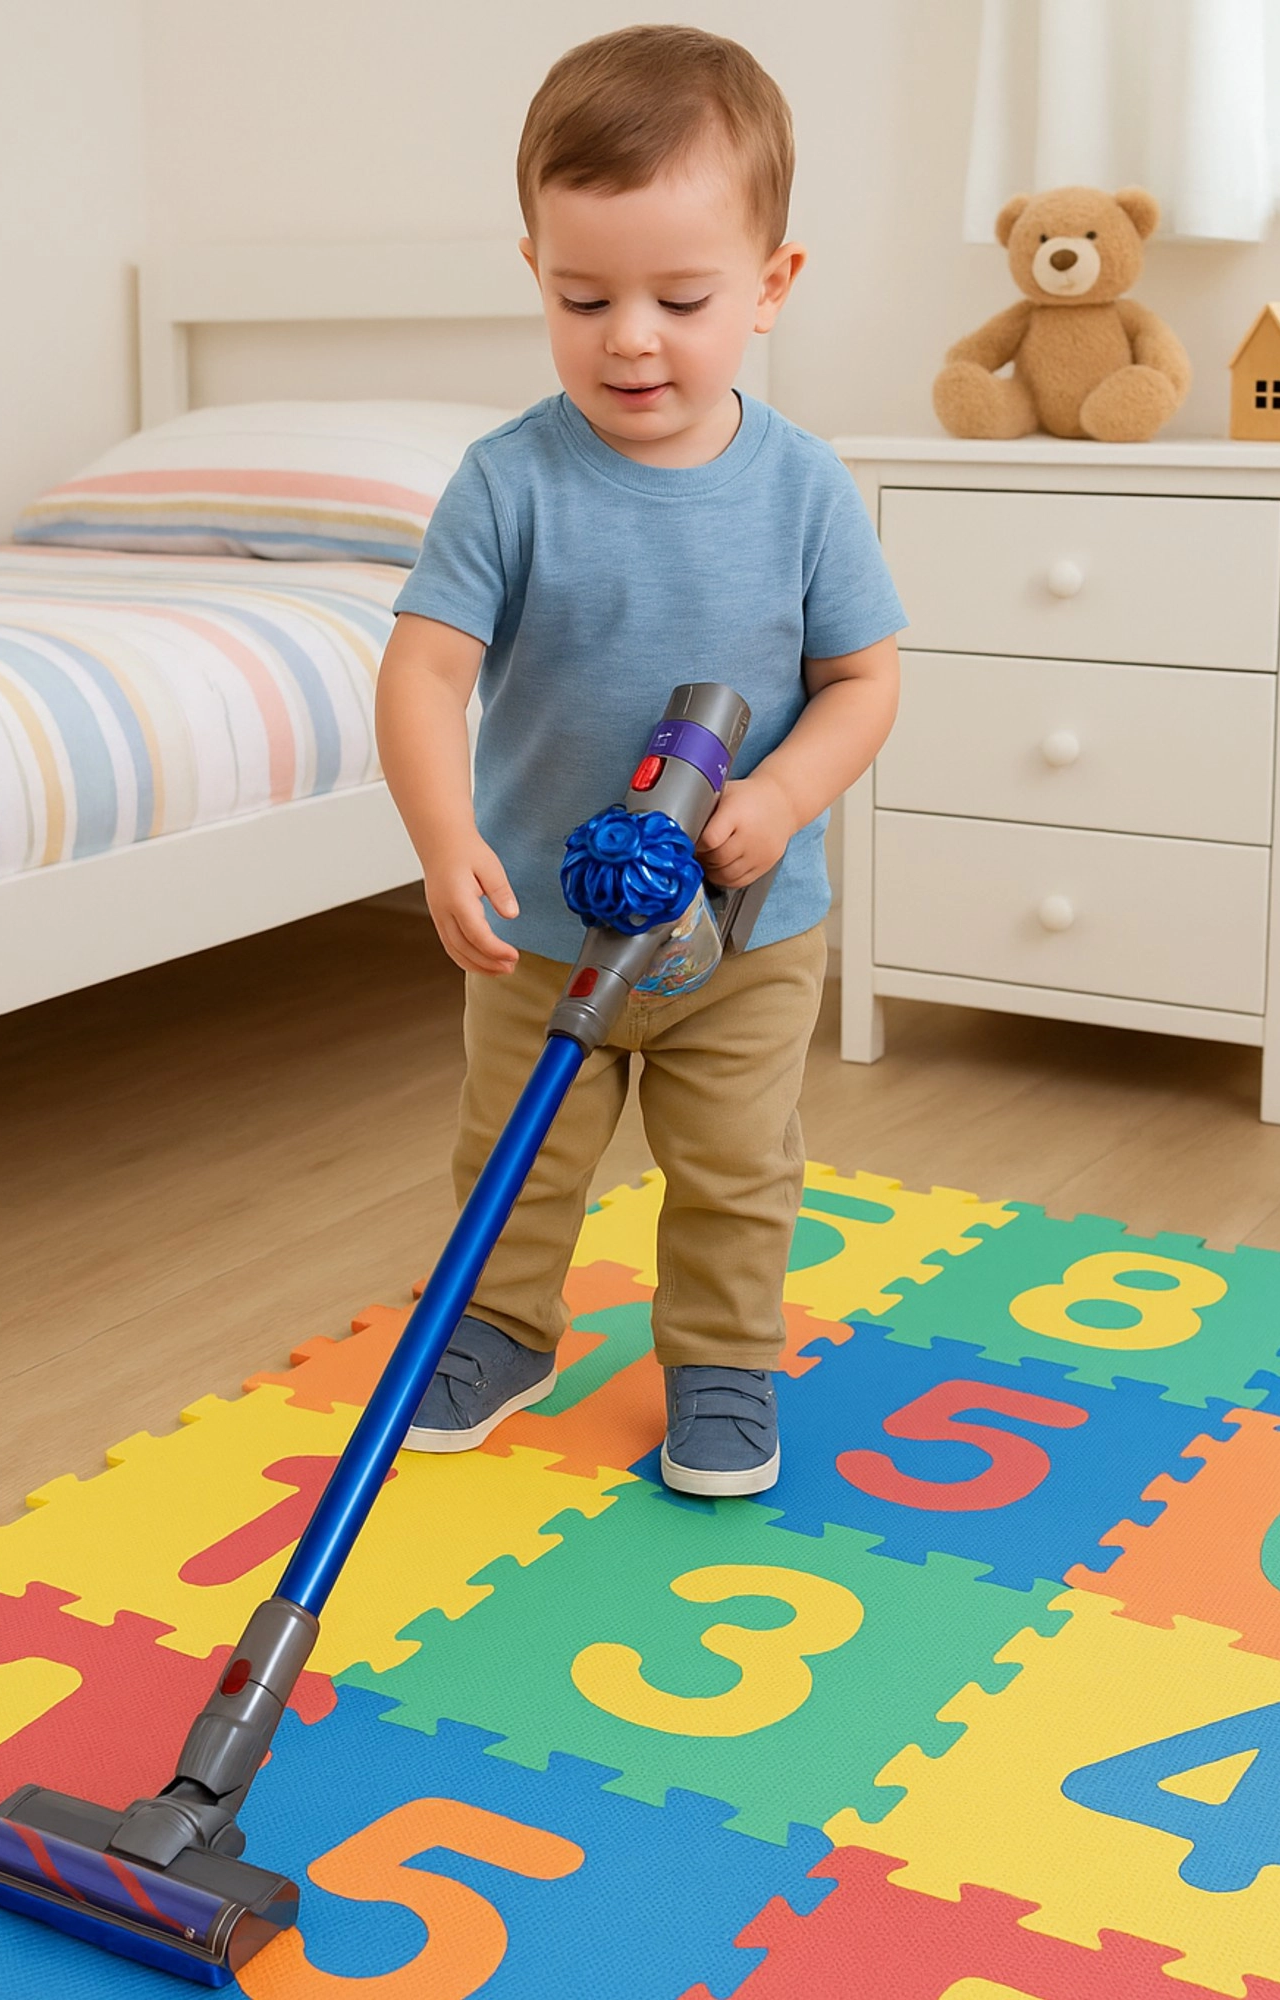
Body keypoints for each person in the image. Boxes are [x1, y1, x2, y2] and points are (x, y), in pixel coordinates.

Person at [374, 22, 904, 1497]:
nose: (629, 337)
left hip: (745, 936)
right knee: (516, 1155)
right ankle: (501, 1326)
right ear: (534, 270)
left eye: (681, 298)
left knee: (737, 1167)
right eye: (583, 296)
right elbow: (424, 668)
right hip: (543, 928)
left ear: (772, 286)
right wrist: (442, 840)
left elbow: (864, 683)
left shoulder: (804, 490)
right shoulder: (510, 482)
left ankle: (722, 1359)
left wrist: (782, 795)